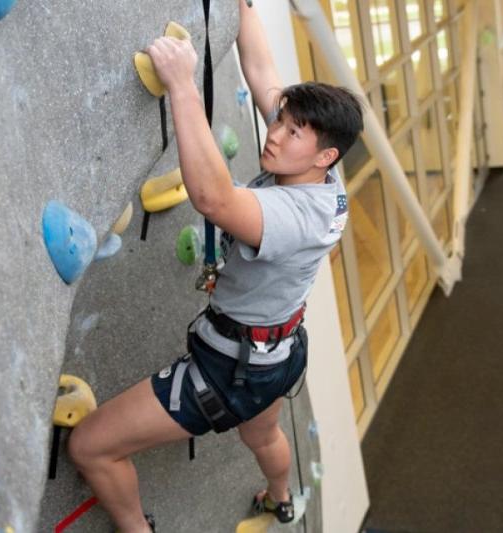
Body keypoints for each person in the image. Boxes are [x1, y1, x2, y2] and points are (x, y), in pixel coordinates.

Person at [67, 1, 364, 531]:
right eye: (280, 121)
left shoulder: (299, 216)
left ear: (325, 157)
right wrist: (244, 7)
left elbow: (214, 199)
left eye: (292, 133)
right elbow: (264, 72)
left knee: (91, 446)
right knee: (263, 434)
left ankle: (137, 529)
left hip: (230, 370)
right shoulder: (320, 170)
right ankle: (281, 497)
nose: (274, 133)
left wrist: (183, 85)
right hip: (279, 352)